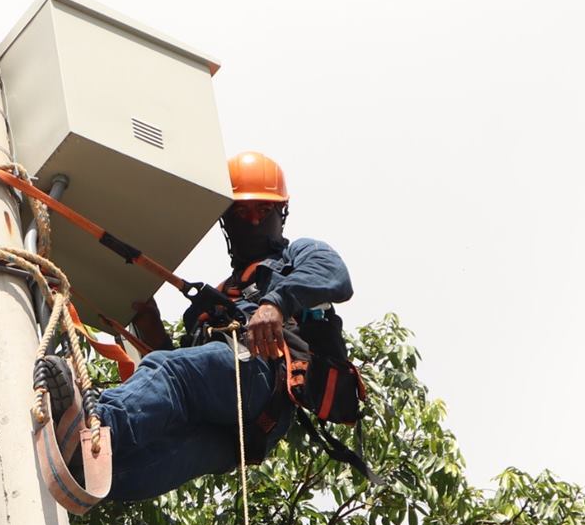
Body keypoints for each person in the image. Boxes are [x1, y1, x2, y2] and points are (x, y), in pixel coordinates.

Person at [35, 152, 353, 502]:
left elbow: (334, 274)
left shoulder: (297, 256)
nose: (253, 221)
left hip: (263, 377)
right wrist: (151, 329)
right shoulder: (215, 300)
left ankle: (95, 423)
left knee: (171, 374)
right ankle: (76, 471)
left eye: (264, 211)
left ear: (281, 214)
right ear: (227, 222)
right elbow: (182, 384)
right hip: (236, 429)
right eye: (242, 213)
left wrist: (275, 303)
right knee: (142, 460)